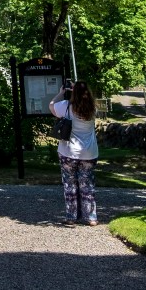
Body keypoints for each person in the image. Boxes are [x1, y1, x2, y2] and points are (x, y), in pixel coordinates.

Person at [49, 79, 99, 226]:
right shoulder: (92, 109)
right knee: (87, 184)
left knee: (70, 185)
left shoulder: (66, 107)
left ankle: (71, 217)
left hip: (68, 151)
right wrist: (77, 88)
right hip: (89, 152)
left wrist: (61, 93)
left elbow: (51, 106)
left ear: (73, 92)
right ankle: (91, 217)